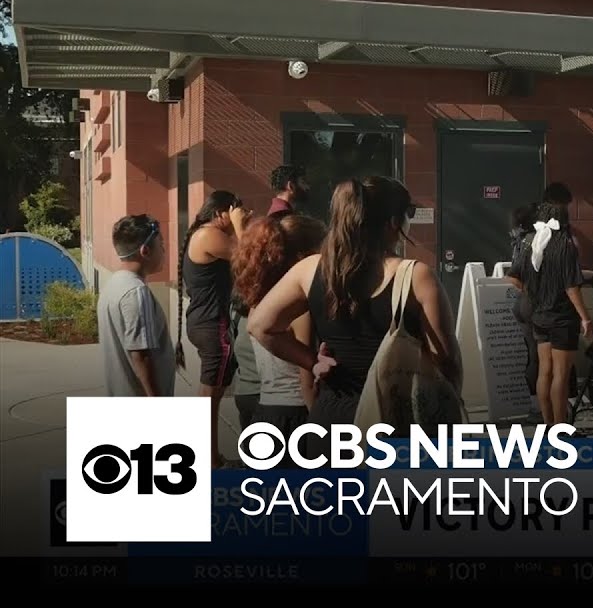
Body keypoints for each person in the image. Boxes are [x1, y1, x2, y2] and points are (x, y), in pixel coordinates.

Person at [247, 177, 461, 452]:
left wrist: (311, 361)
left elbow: (260, 326)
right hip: (398, 424)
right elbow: (445, 360)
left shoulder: (310, 269)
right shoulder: (416, 276)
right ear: (394, 222)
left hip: (331, 421)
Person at [233, 213, 325, 445]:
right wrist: (320, 428)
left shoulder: (259, 303)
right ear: (303, 258)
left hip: (266, 413)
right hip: (296, 417)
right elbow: (306, 382)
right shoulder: (298, 310)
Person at [178, 190, 250, 468]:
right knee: (210, 399)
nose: (241, 216)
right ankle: (208, 461)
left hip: (205, 322)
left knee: (211, 397)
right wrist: (240, 225)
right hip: (212, 326)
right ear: (221, 212)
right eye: (236, 211)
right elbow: (248, 258)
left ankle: (210, 457)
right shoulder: (209, 235)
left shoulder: (204, 233)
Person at [508, 201, 593, 425]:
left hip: (539, 316)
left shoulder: (530, 242)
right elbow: (571, 286)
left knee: (544, 371)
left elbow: (513, 277)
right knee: (561, 375)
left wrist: (532, 291)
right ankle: (560, 426)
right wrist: (585, 317)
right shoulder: (565, 245)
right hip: (562, 317)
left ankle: (548, 424)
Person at [98, 215, 176, 398]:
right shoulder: (136, 292)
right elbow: (141, 354)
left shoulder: (113, 284)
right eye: (161, 245)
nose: (164, 250)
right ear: (145, 251)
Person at [506, 202, 540, 413]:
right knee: (539, 358)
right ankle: (543, 409)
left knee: (532, 355)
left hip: (522, 303)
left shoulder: (518, 241)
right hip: (536, 305)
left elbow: (513, 276)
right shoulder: (536, 241)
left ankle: (536, 406)